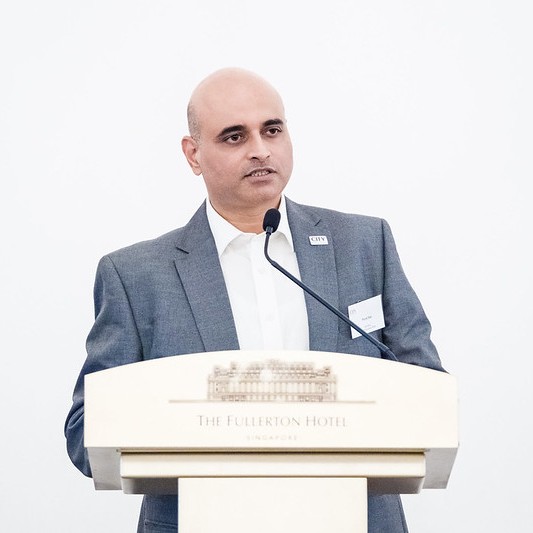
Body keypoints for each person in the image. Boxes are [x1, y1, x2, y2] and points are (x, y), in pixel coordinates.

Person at [65, 67, 444, 533]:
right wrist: (186, 424)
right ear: (193, 154)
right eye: (234, 136)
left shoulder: (365, 245)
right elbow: (85, 432)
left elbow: (429, 392)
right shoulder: (136, 276)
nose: (260, 149)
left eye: (272, 129)